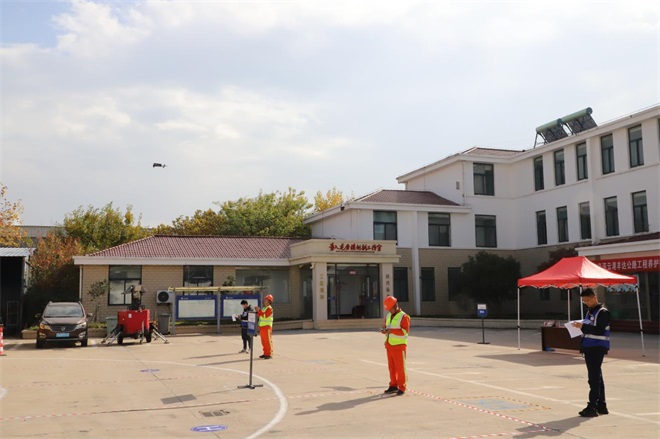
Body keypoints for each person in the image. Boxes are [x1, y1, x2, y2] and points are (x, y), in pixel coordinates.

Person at [572, 288, 610, 417]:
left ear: (594, 297)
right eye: (584, 301)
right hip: (589, 346)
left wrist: (582, 326)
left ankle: (592, 406)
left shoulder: (603, 312)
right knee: (597, 376)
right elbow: (590, 328)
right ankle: (601, 405)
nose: (586, 303)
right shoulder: (590, 312)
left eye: (588, 300)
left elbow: (599, 330)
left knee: (593, 378)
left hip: (597, 347)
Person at [380, 295, 410, 396]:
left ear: (395, 306)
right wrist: (383, 330)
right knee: (391, 367)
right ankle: (393, 385)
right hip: (389, 345)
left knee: (400, 368)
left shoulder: (404, 317)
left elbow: (405, 332)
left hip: (399, 346)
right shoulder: (388, 316)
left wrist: (391, 330)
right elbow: (385, 326)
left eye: (390, 308)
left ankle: (402, 387)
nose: (389, 310)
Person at [256, 294, 274, 359]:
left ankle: (269, 354)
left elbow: (264, 316)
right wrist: (258, 311)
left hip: (267, 327)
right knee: (263, 341)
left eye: (266, 299)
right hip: (262, 327)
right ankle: (265, 353)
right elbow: (260, 315)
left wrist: (259, 311)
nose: (264, 300)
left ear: (269, 301)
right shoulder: (264, 308)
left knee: (268, 341)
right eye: (265, 299)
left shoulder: (269, 308)